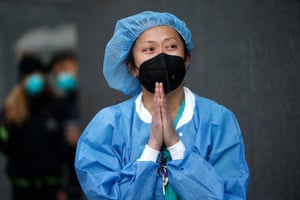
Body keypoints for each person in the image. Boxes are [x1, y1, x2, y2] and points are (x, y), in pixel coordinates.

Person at [75, 11, 250, 200]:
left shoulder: (218, 120)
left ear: (187, 59)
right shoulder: (107, 127)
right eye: (149, 49)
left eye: (171, 46)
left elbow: (229, 195)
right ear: (131, 67)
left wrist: (175, 147)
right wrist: (151, 150)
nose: (161, 56)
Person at [0, 53, 66, 200]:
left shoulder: (54, 106)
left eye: (38, 74)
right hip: (22, 188)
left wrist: (65, 187)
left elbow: (64, 149)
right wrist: (10, 125)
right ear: (22, 79)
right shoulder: (12, 108)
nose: (36, 78)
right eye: (30, 75)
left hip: (52, 188)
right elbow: (5, 145)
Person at [47, 50, 82, 200]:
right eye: (57, 74)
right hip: (74, 180)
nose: (61, 76)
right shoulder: (65, 103)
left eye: (64, 68)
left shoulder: (90, 95)